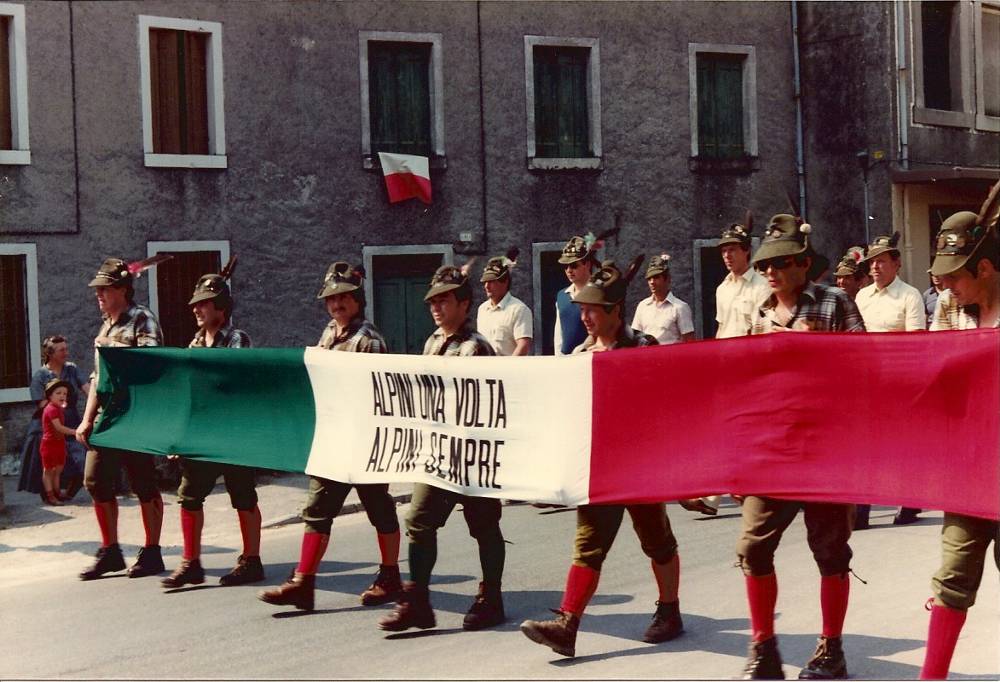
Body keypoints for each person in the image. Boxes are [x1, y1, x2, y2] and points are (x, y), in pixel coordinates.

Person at [520, 258, 685, 658]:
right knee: (588, 546)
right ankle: (567, 624)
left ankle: (669, 611)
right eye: (583, 309)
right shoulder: (579, 353)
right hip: (601, 466)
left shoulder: (644, 347)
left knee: (657, 540)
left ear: (614, 310)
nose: (586, 316)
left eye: (593, 309)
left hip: (642, 464)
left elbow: (668, 403)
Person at [739, 214, 864, 680]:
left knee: (830, 551)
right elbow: (749, 381)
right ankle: (763, 647)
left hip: (826, 447)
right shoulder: (759, 311)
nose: (770, 272)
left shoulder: (836, 303)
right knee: (752, 547)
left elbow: (863, 367)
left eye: (781, 263)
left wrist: (818, 350)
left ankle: (831, 648)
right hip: (774, 446)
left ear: (804, 264)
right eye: (764, 265)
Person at [260, 262, 403, 611]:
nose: (336, 305)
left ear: (357, 299)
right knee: (318, 509)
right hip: (334, 438)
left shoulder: (368, 340)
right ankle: (303, 583)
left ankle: (390, 577)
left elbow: (376, 395)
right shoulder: (330, 333)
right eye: (330, 299)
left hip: (364, 439)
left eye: (343, 298)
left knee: (379, 508)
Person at [378, 265, 506, 633]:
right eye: (432, 300)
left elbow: (476, 402)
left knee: (484, 526)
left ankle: (491, 596)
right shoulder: (434, 342)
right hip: (438, 451)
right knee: (418, 520)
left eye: (444, 299)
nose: (436, 306)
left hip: (472, 453)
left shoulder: (475, 347)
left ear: (464, 303)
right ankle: (417, 601)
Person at [919, 199, 1000, 680]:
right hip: (969, 470)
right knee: (951, 578)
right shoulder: (951, 313)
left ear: (986, 268)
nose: (945, 286)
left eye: (955, 275)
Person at [161, 263, 267, 589]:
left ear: (221, 306)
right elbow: (192, 391)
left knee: (243, 496)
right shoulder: (195, 343)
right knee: (189, 496)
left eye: (204, 302)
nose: (196, 308)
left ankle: (252, 560)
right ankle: (191, 562)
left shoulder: (237, 338)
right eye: (195, 303)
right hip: (204, 434)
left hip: (234, 434)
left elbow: (231, 381)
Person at [76, 256, 167, 581]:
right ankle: (111, 550)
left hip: (136, 414)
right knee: (95, 479)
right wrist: (87, 420)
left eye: (105, 289)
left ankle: (152, 552)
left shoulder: (141, 318)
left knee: (143, 481)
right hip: (108, 416)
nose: (98, 295)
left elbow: (150, 363)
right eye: (98, 290)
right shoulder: (106, 326)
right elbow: (98, 377)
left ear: (123, 290)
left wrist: (117, 355)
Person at [855, 232, 927, 528]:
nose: (875, 267)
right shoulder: (861, 296)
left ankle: (910, 500)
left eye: (882, 261)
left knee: (901, 446)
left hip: (898, 380)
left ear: (896, 264)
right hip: (866, 381)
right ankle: (860, 510)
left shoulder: (909, 296)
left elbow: (916, 342)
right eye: (872, 262)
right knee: (864, 445)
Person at [17, 335, 90, 501]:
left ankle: (69, 492)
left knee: (83, 456)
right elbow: (43, 405)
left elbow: (87, 388)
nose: (66, 352)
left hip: (71, 419)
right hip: (49, 422)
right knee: (47, 457)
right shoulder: (40, 376)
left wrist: (96, 400)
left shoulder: (71, 369)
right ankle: (50, 494)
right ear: (50, 353)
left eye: (66, 348)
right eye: (61, 350)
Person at [477, 250, 533, 356]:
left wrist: (508, 370)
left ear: (505, 281)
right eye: (485, 282)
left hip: (507, 369)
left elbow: (523, 346)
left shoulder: (519, 309)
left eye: (492, 281)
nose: (487, 286)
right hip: (483, 369)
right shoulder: (482, 309)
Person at [631, 253, 695, 344]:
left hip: (671, 357)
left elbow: (689, 342)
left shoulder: (679, 307)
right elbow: (636, 338)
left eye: (656, 277)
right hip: (647, 356)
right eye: (649, 279)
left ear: (667, 279)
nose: (652, 282)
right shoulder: (643, 306)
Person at [554, 234, 599, 355]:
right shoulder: (561, 295)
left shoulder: (599, 292)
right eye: (565, 266)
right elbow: (559, 333)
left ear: (587, 265)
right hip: (566, 362)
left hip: (590, 358)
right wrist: (558, 357)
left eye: (574, 265)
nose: (569, 270)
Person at [39, 379, 78, 505]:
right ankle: (51, 496)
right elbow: (59, 427)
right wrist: (75, 432)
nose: (62, 396)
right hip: (49, 444)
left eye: (65, 393)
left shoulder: (58, 408)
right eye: (58, 393)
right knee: (49, 470)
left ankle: (57, 493)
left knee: (58, 470)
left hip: (59, 443)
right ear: (50, 396)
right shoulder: (50, 409)